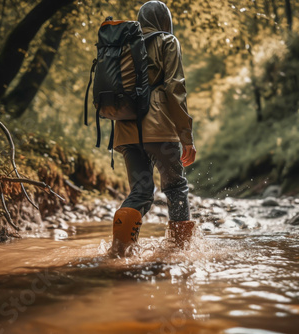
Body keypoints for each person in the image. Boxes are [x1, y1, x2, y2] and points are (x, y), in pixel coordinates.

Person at [110, 1, 196, 256]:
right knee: (175, 187)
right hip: (159, 129)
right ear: (164, 20)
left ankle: (119, 253)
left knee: (141, 192)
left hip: (124, 130)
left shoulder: (122, 45)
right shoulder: (168, 41)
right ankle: (181, 253)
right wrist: (186, 136)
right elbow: (174, 88)